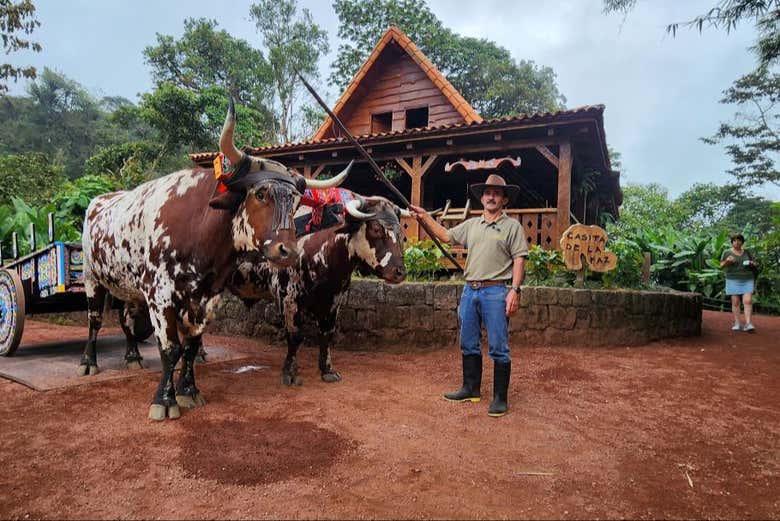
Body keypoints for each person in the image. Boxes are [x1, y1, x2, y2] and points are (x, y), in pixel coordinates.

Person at [409, 174, 528, 417]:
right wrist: (423, 217)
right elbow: (445, 235)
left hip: (496, 291)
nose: (491, 197)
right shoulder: (472, 225)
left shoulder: (511, 226)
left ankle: (499, 398)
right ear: (482, 198)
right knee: (468, 342)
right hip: (469, 290)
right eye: (487, 193)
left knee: (498, 346)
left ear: (504, 199)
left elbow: (519, 259)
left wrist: (514, 290)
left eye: (496, 193)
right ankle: (470, 388)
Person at [720, 233, 757, 332]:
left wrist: (752, 264)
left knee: (748, 301)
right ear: (732, 242)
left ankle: (748, 323)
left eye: (739, 240)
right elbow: (721, 266)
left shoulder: (747, 252)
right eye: (735, 240)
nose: (737, 242)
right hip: (732, 279)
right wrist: (727, 261)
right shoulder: (727, 252)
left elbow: (754, 263)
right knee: (735, 302)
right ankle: (737, 323)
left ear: (742, 242)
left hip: (747, 279)